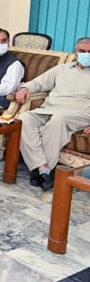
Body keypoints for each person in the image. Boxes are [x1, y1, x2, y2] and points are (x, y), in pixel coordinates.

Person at [15, 37, 90, 191]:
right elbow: (38, 82)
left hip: (79, 112)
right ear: (75, 52)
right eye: (82, 51)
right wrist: (24, 88)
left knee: (57, 120)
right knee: (24, 119)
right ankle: (43, 168)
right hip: (51, 108)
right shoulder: (62, 69)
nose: (86, 54)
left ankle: (42, 171)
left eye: (89, 52)